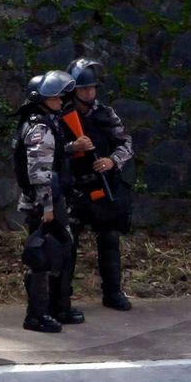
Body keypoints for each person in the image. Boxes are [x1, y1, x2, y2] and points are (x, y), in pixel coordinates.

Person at [63, 58, 135, 314]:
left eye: (92, 88)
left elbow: (126, 143)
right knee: (68, 242)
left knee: (109, 237)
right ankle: (62, 298)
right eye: (84, 89)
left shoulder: (105, 113)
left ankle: (113, 292)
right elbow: (50, 149)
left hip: (101, 185)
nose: (89, 93)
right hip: (74, 188)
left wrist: (111, 161)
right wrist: (72, 147)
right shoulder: (61, 114)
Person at [14, 70, 76, 332]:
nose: (61, 101)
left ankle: (53, 308)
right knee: (41, 258)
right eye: (55, 97)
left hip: (46, 200)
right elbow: (39, 172)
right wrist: (47, 207)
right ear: (41, 99)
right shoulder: (40, 127)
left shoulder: (40, 122)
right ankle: (37, 315)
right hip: (44, 203)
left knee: (54, 253)